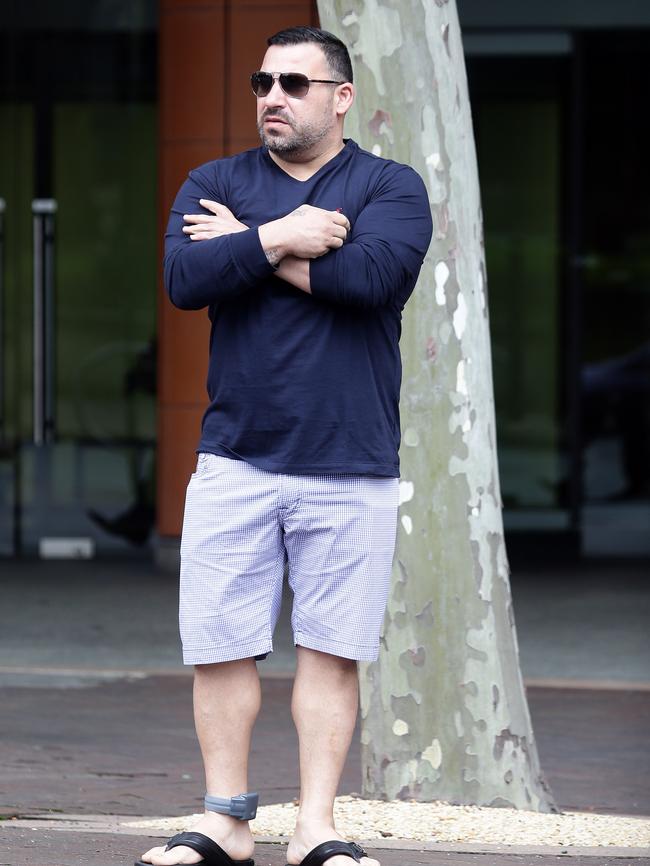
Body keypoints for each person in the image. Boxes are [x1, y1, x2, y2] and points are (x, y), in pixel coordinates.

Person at [137, 25, 432, 866]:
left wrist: (243, 243)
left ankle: (316, 828)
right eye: (264, 82)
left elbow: (371, 282)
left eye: (295, 84)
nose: (272, 96)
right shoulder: (213, 179)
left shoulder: (389, 186)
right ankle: (226, 823)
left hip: (352, 459)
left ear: (341, 97)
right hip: (235, 456)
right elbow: (185, 281)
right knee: (222, 645)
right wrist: (282, 237)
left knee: (332, 651)